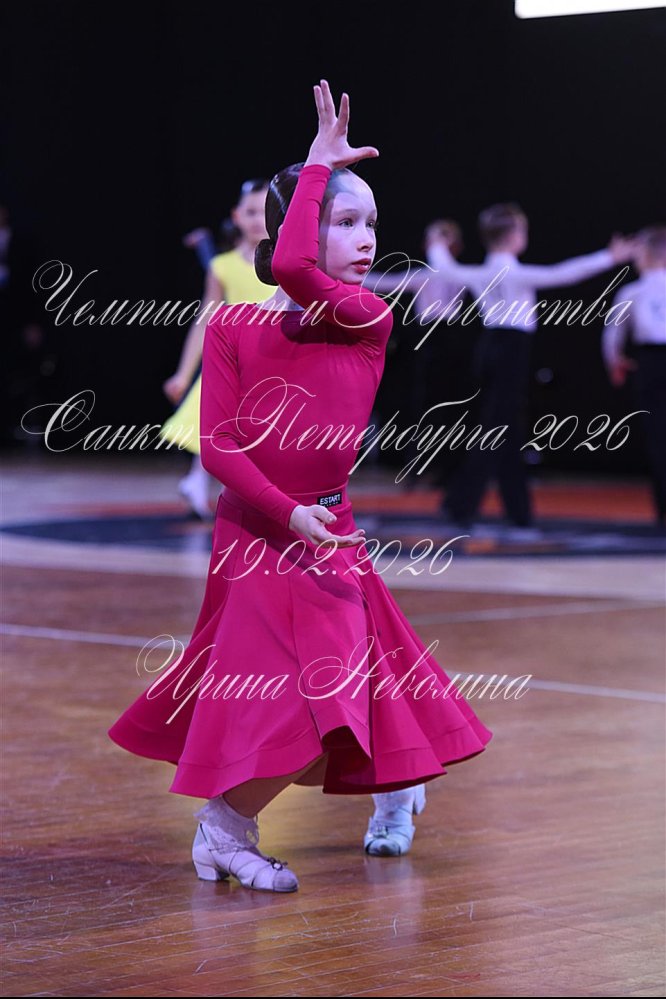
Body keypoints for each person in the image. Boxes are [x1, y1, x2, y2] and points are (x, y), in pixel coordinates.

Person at [108, 80, 493, 893]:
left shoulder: (364, 317)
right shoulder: (234, 325)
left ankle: (315, 808)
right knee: (288, 687)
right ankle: (237, 827)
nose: (367, 239)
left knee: (342, 680)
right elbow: (218, 445)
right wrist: (316, 165)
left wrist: (308, 519)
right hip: (255, 530)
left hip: (327, 531)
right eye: (345, 222)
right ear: (298, 223)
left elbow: (292, 267)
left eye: (372, 223)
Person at [427, 203, 636, 533]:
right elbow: (563, 274)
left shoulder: (481, 272)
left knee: (506, 431)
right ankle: (460, 504)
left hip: (490, 347)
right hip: (511, 351)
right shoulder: (514, 273)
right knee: (498, 429)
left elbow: (445, 267)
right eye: (522, 230)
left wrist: (437, 244)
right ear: (513, 236)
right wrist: (609, 257)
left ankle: (517, 510)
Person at [160, 179, 275, 518]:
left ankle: (253, 492)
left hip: (271, 359)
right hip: (232, 358)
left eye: (264, 212)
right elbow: (203, 321)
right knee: (211, 416)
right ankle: (198, 481)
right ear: (237, 216)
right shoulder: (221, 266)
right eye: (250, 212)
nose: (257, 220)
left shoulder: (282, 261)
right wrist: (183, 374)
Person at [365, 220, 473, 488]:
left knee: (449, 406)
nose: (434, 245)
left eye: (440, 239)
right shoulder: (424, 276)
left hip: (451, 341)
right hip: (428, 343)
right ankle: (418, 468)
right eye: (432, 239)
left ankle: (448, 470)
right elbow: (381, 282)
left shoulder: (456, 274)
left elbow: (448, 274)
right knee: (422, 405)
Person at [601, 226, 666, 529]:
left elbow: (611, 335)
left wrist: (614, 361)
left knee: (658, 437)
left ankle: (664, 510)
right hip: (649, 361)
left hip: (650, 363)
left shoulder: (632, 292)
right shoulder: (631, 292)